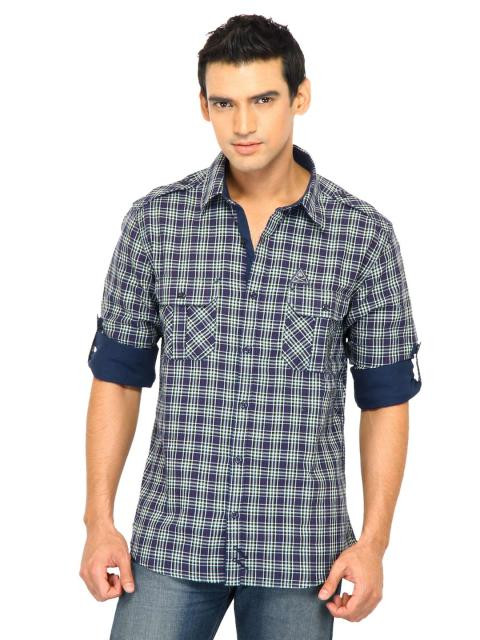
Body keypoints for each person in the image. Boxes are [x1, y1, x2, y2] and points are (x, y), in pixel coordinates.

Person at [79, 13, 422, 640]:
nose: (242, 124)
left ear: (300, 96)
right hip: (174, 541)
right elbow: (118, 379)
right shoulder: (156, 223)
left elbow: (385, 399)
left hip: (302, 552)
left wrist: (374, 543)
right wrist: (98, 521)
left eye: (262, 100)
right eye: (224, 103)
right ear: (203, 105)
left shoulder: (362, 237)